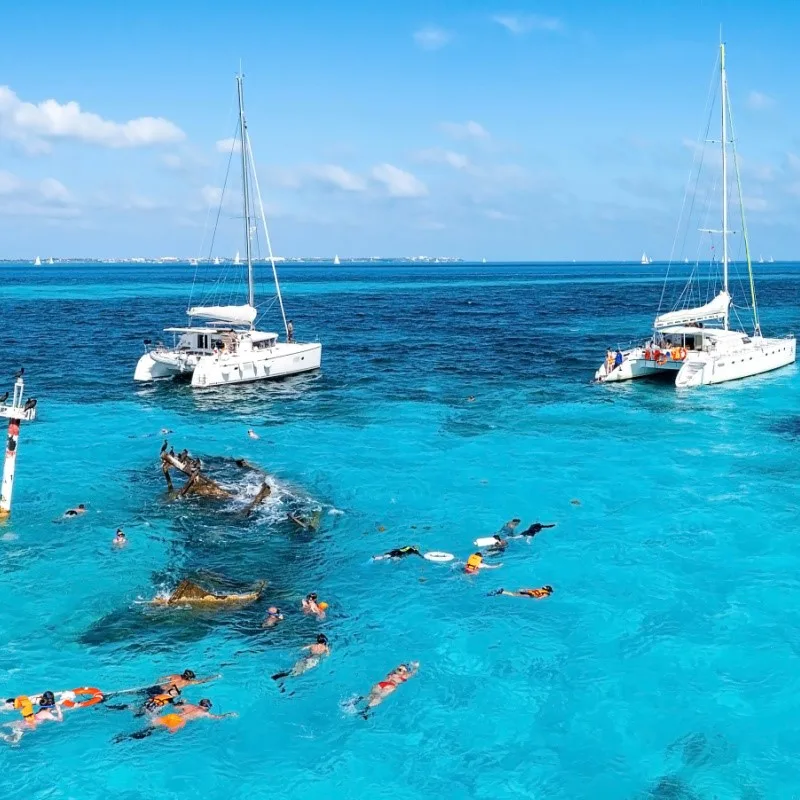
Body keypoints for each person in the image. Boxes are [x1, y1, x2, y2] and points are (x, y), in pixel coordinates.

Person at [115, 699, 235, 741]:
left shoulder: (189, 706)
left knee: (150, 727)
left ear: (199, 703)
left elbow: (175, 707)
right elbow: (217, 718)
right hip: (178, 722)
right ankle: (129, 739)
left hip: (171, 716)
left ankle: (126, 736)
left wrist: (182, 702)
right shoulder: (203, 714)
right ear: (207, 707)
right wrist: (228, 715)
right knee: (156, 732)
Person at [488, 585, 553, 599]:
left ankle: (502, 591)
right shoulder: (547, 593)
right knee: (514, 595)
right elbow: (542, 597)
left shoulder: (541, 589)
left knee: (514, 594)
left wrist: (524, 589)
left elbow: (530, 589)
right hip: (530, 595)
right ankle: (501, 592)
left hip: (529, 593)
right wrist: (538, 599)